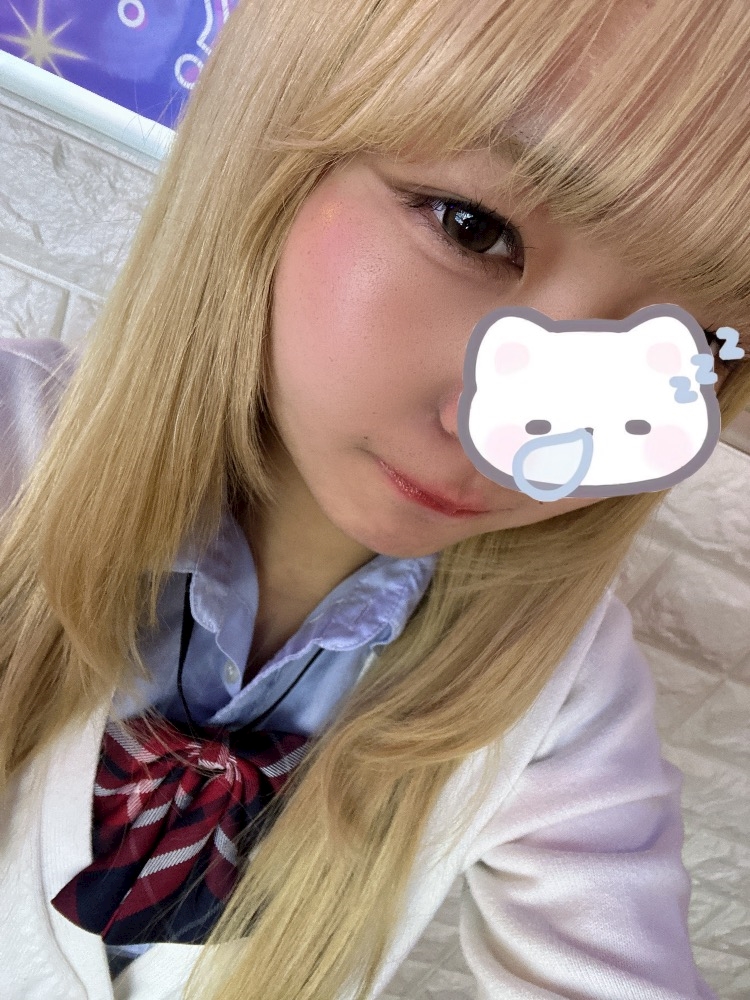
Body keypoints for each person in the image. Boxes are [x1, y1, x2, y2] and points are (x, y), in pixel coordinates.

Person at [0, 0, 748, 997]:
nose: (526, 442)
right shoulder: (18, 448)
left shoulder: (564, 696)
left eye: (684, 353)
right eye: (473, 228)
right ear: (270, 138)